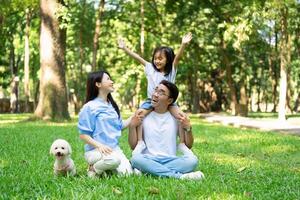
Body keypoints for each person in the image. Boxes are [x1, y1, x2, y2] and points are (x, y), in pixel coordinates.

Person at [118, 33, 192, 155]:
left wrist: (183, 44)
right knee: (138, 115)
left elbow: (177, 58)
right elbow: (137, 58)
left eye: (160, 58)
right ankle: (127, 129)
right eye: (155, 58)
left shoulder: (171, 71)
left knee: (181, 117)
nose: (157, 61)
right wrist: (125, 48)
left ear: (168, 59)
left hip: (169, 102)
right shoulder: (150, 68)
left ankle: (182, 143)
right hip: (150, 101)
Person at [129, 80, 204, 180]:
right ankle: (180, 177)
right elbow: (133, 146)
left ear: (169, 100)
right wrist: (132, 126)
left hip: (170, 160)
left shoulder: (177, 118)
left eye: (161, 92)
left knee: (192, 161)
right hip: (148, 158)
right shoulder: (143, 116)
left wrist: (188, 128)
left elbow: (188, 145)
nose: (155, 94)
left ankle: (147, 171)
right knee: (136, 159)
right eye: (156, 90)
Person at [78, 71, 138, 177]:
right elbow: (83, 135)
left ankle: (104, 169)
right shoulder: (89, 107)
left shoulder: (112, 106)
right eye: (108, 79)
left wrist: (135, 115)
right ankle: (94, 169)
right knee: (114, 160)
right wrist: (100, 146)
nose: (112, 82)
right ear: (98, 84)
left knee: (126, 174)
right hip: (95, 150)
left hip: (113, 149)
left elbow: (119, 126)